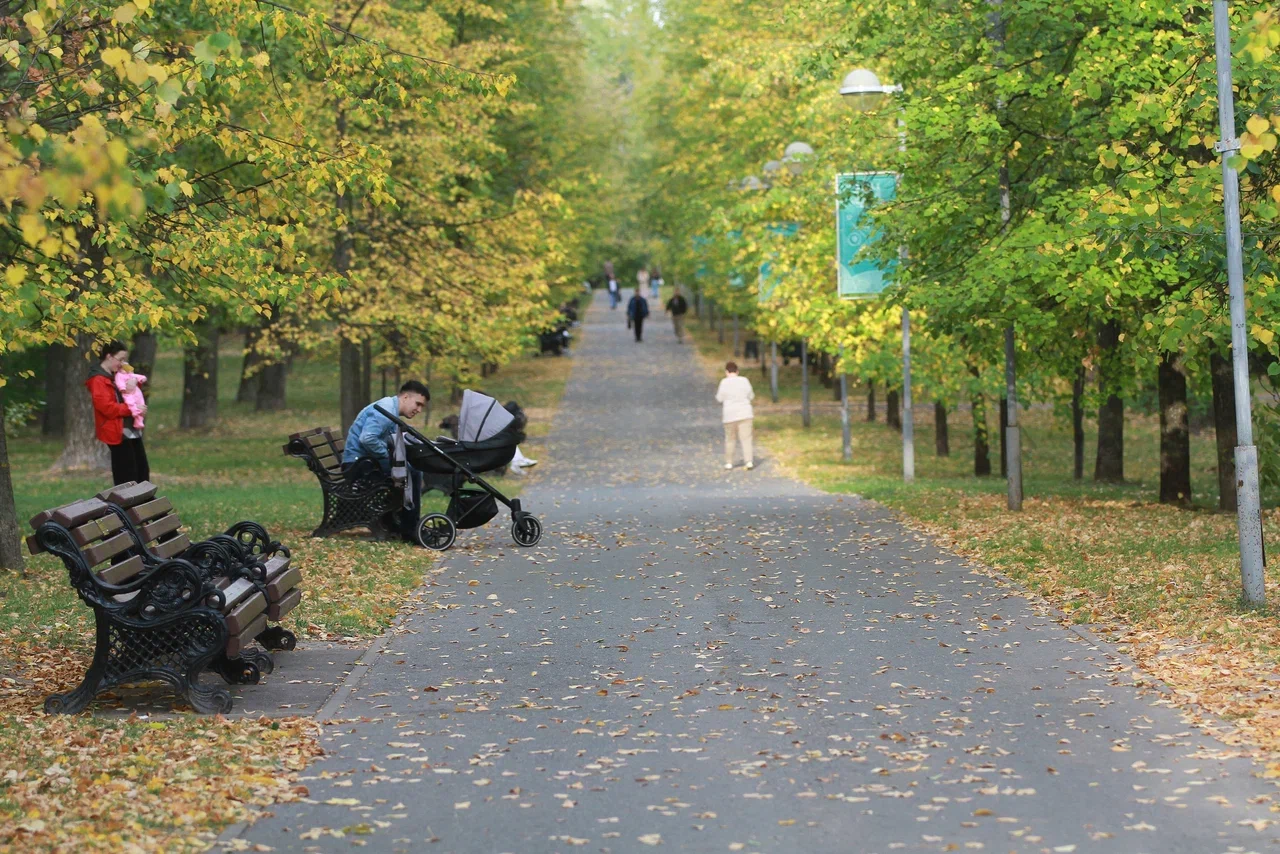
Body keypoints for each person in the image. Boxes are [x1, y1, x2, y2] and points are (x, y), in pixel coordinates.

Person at [342, 380, 430, 544]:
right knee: (409, 473)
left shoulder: (390, 408)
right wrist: (389, 457)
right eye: (417, 404)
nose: (418, 410)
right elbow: (367, 439)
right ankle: (410, 528)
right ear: (405, 397)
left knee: (412, 470)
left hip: (364, 462)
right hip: (358, 466)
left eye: (421, 407)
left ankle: (407, 524)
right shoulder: (386, 410)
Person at [89, 341, 150, 485]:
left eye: (124, 359)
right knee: (127, 475)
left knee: (142, 471)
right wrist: (132, 408)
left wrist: (134, 383)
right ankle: (127, 505)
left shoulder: (118, 374)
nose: (123, 363)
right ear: (109, 356)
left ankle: (145, 502)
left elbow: (128, 390)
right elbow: (106, 407)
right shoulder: (98, 380)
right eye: (120, 359)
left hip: (130, 428)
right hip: (116, 431)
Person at [715, 360, 755, 470]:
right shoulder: (744, 381)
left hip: (730, 415)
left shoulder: (724, 382)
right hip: (745, 413)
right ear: (737, 371)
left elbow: (719, 398)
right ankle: (749, 461)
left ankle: (729, 462)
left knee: (730, 439)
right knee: (746, 438)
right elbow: (751, 396)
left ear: (726, 372)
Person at [115, 364, 148, 430]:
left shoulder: (130, 374)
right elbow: (109, 408)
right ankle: (136, 414)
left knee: (141, 405)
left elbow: (137, 377)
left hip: (136, 395)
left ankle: (139, 421)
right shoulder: (118, 375)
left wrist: (141, 379)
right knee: (131, 402)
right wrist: (123, 388)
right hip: (123, 424)